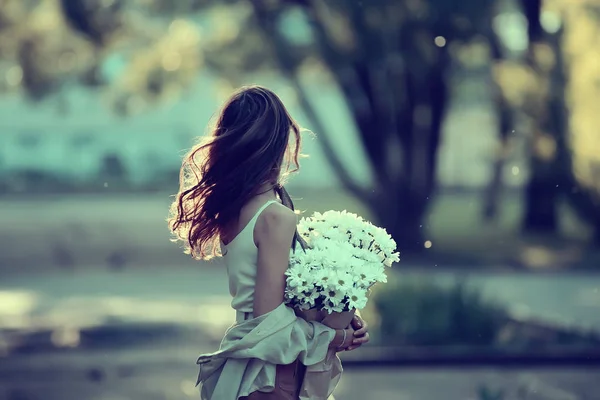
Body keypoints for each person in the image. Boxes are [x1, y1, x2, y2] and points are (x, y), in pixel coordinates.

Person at [168, 85, 369, 399]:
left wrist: (341, 310)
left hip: (243, 366)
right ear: (278, 143)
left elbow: (276, 301)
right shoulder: (274, 216)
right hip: (271, 374)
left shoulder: (232, 208)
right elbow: (271, 325)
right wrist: (336, 336)